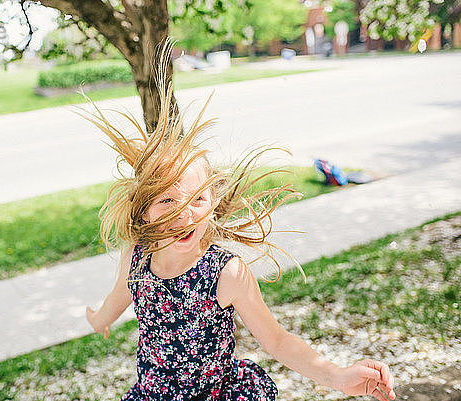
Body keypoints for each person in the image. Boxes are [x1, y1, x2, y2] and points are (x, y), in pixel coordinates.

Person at [82, 39, 396, 401]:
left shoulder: (226, 273)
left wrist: (339, 377)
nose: (185, 213)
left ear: (213, 202)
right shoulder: (136, 257)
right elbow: (116, 300)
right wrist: (98, 319)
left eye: (198, 198)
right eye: (167, 199)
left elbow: (278, 341)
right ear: (144, 208)